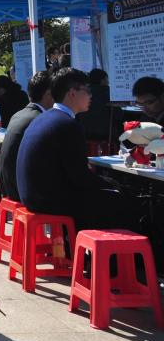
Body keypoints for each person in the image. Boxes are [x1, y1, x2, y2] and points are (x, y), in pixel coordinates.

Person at [17, 68, 141, 233]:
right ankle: (125, 250)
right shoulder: (67, 125)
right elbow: (80, 177)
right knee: (125, 202)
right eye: (87, 90)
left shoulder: (44, 117)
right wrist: (114, 184)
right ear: (72, 93)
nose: (91, 95)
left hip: (31, 196)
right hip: (48, 201)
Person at [0, 71, 53, 201]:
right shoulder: (41, 119)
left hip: (7, 187)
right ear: (48, 94)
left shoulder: (18, 115)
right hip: (23, 191)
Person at [77, 68, 122, 154]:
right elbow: (118, 115)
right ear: (102, 80)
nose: (108, 82)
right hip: (107, 135)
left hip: (85, 134)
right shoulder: (109, 94)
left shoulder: (82, 93)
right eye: (107, 79)